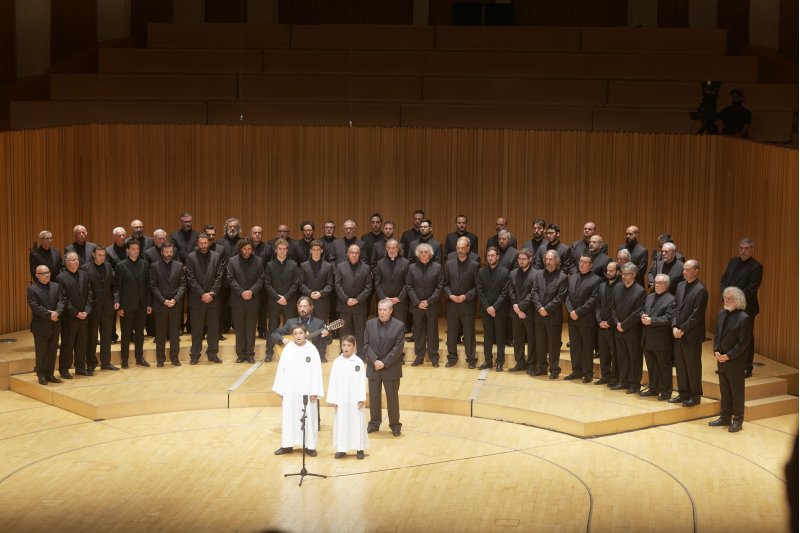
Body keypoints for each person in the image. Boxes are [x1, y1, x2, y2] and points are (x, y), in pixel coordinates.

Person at [273, 325, 324, 456]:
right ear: (292, 335)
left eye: (301, 333)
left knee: (309, 418)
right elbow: (281, 369)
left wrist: (315, 391)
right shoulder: (288, 349)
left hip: (307, 390)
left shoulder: (312, 350)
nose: (298, 336)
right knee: (289, 417)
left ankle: (310, 446)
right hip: (290, 390)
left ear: (305, 333)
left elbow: (317, 371)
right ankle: (287, 445)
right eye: (295, 334)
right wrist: (280, 389)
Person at [710, 287, 752, 432]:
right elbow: (717, 335)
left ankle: (738, 420)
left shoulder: (744, 318)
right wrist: (716, 350)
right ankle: (724, 417)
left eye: (730, 299)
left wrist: (728, 355)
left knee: (736, 391)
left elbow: (743, 343)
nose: (726, 301)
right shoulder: (722, 313)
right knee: (725, 390)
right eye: (725, 298)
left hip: (735, 361)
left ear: (738, 300)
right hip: (721, 359)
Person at [719, 238, 762, 378]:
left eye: (746, 248)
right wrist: (726, 295)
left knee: (746, 338)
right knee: (728, 336)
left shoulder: (756, 267)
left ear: (751, 249)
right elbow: (723, 281)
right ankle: (726, 364)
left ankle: (746, 367)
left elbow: (751, 289)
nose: (743, 251)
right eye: (741, 248)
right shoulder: (732, 262)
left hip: (746, 308)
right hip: (729, 306)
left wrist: (733, 299)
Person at [670, 260, 709, 407]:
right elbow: (674, 307)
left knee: (692, 366)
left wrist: (682, 329)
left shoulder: (701, 289)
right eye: (684, 269)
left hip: (691, 334)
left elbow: (696, 315)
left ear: (696, 271)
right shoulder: (680, 286)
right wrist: (674, 326)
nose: (684, 272)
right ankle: (683, 392)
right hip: (678, 332)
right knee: (680, 365)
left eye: (687, 269)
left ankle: (695, 395)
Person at [364, 299, 405, 436]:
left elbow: (398, 348)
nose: (381, 312)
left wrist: (384, 362)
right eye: (380, 309)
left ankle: (395, 425)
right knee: (374, 397)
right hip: (373, 367)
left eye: (384, 310)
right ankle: (374, 423)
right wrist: (375, 360)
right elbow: (366, 344)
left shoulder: (399, 326)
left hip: (390, 368)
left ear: (391, 310)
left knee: (392, 398)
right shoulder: (369, 324)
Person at [185, 233, 225, 364]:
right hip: (197, 300)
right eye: (200, 243)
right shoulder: (191, 257)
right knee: (197, 330)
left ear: (209, 242)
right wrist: (202, 294)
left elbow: (219, 277)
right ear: (197, 243)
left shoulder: (216, 256)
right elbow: (190, 279)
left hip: (213, 300)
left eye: (205, 243)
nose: (203, 245)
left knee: (213, 329)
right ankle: (195, 355)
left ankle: (212, 354)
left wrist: (212, 293)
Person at [327, 334, 368, 459]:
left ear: (354, 347)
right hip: (341, 399)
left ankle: (359, 448)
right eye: (344, 345)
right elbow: (333, 381)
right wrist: (333, 399)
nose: (346, 348)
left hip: (355, 400)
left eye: (349, 345)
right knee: (342, 423)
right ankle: (342, 448)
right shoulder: (337, 362)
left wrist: (361, 398)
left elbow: (362, 381)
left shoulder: (358, 362)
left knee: (357, 423)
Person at [531, 250, 568, 378]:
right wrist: (539, 308)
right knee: (540, 344)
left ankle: (554, 370)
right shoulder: (539, 275)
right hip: (539, 316)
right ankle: (542, 368)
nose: (548, 262)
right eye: (546, 259)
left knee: (553, 346)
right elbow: (534, 293)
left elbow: (560, 297)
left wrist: (546, 309)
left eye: (550, 259)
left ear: (557, 261)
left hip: (553, 317)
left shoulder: (562, 277)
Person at [115, 239, 152, 368]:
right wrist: (118, 307)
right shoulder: (121, 266)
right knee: (126, 334)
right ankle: (124, 359)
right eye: (133, 249)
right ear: (127, 250)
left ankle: (139, 357)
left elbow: (148, 286)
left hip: (141, 305)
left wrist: (149, 304)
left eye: (137, 249)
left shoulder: (145, 264)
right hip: (127, 306)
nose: (135, 251)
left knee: (140, 333)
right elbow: (117, 288)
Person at [56, 251, 93, 378]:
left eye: (77, 259)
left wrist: (86, 311)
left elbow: (89, 294)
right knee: (68, 344)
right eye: (73, 260)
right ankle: (64, 369)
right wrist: (76, 313)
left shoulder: (84, 275)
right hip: (69, 318)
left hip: (84, 316)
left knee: (82, 343)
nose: (76, 261)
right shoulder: (61, 278)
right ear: (66, 263)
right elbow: (63, 299)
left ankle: (80, 367)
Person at [565, 255, 601, 382]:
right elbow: (567, 297)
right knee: (575, 346)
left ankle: (588, 373)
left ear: (591, 264)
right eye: (580, 262)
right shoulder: (572, 277)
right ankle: (576, 371)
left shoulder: (596, 280)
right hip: (572, 318)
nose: (581, 264)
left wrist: (578, 312)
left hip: (586, 318)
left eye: (585, 262)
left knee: (587, 346)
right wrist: (570, 311)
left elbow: (593, 300)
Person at [406, 243, 444, 367]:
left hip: (431, 306)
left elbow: (439, 287)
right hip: (417, 306)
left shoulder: (437, 267)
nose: (423, 254)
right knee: (418, 332)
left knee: (432, 332)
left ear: (430, 254)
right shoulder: (412, 267)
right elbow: (409, 286)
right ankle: (419, 356)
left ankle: (434, 357)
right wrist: (417, 302)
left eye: (426, 252)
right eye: (421, 252)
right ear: (418, 254)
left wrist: (428, 301)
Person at [444, 237, 479, 368]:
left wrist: (466, 296)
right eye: (458, 248)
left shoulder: (474, 265)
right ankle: (452, 357)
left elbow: (477, 287)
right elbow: (445, 284)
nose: (459, 250)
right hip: (452, 304)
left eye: (462, 248)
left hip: (467, 304)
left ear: (468, 248)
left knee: (469, 333)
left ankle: (471, 359)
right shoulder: (449, 264)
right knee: (452, 332)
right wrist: (450, 295)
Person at [81, 246, 118, 371]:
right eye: (99, 255)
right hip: (93, 308)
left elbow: (114, 286)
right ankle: (91, 363)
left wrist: (116, 300)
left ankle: (106, 362)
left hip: (107, 307)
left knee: (106, 337)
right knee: (91, 338)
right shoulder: (85, 268)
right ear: (93, 254)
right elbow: (84, 290)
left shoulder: (108, 266)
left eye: (103, 255)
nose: (102, 257)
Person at [640, 274, 676, 400]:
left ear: (666, 285)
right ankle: (653, 388)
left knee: (663, 367)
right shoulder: (649, 297)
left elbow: (668, 318)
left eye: (660, 283)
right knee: (651, 366)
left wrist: (652, 321)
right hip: (647, 337)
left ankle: (666, 392)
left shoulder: (671, 299)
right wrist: (643, 316)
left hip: (661, 340)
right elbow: (643, 310)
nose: (656, 285)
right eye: (655, 282)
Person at [611, 263, 646, 393]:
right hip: (619, 328)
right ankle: (623, 381)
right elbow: (612, 307)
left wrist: (623, 325)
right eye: (623, 274)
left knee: (634, 357)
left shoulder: (640, 291)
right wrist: (617, 323)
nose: (623, 276)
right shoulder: (618, 288)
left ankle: (635, 383)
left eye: (627, 274)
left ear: (634, 275)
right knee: (622, 356)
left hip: (632, 330)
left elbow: (637, 312)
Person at [150, 242, 186, 367]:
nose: (169, 254)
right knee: (160, 334)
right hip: (161, 305)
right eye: (166, 252)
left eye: (171, 252)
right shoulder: (154, 266)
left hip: (175, 305)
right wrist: (163, 300)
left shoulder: (179, 265)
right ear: (162, 252)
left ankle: (175, 358)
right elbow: (153, 286)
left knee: (175, 334)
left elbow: (183, 285)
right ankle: (160, 359)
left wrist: (175, 300)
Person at [263, 239, 300, 362]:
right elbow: (267, 284)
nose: (282, 251)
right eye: (280, 249)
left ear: (287, 250)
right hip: (274, 302)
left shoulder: (293, 265)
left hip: (289, 301)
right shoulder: (269, 265)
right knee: (272, 328)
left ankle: (291, 353)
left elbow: (295, 284)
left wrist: (285, 297)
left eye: (284, 249)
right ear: (276, 250)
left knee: (290, 328)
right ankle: (269, 352)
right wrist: (278, 297)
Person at [28, 266, 66, 385]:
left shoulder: (56, 286)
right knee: (41, 352)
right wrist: (50, 314)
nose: (47, 275)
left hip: (55, 325)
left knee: (52, 351)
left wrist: (57, 312)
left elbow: (61, 301)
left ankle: (50, 373)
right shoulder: (32, 289)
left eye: (48, 272)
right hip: (41, 326)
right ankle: (41, 374)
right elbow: (35, 306)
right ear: (37, 275)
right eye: (44, 273)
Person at [228, 237, 263, 364]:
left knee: (251, 328)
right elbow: (230, 279)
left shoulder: (258, 261)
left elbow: (260, 279)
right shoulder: (232, 261)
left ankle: (250, 354)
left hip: (253, 300)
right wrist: (242, 292)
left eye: (249, 249)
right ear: (240, 248)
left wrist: (251, 291)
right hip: (237, 300)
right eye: (245, 248)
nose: (247, 251)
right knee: (240, 328)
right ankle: (240, 354)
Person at [334, 244, 372, 359]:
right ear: (348, 254)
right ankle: (343, 353)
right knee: (344, 332)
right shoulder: (340, 266)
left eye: (356, 253)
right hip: (344, 305)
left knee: (360, 333)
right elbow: (337, 285)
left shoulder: (366, 268)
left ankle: (361, 355)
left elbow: (368, 287)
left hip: (359, 306)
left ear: (359, 255)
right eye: (352, 252)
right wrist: (347, 299)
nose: (354, 255)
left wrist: (357, 300)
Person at [476, 247, 511, 372]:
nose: (490, 257)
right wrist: (488, 308)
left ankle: (500, 362)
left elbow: (504, 292)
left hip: (499, 310)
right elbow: (480, 291)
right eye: (488, 255)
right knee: (488, 337)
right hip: (486, 310)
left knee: (500, 337)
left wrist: (494, 307)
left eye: (492, 255)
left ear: (497, 257)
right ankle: (488, 361)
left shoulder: (505, 272)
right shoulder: (481, 272)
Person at [270, 296, 330, 362]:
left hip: (311, 358)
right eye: (300, 306)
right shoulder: (291, 322)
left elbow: (329, 341)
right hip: (293, 358)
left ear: (311, 307)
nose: (302, 309)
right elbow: (274, 334)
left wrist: (327, 335)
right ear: (297, 308)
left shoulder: (319, 323)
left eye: (305, 306)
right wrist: (283, 340)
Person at [373, 238, 409, 341]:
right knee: (384, 330)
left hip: (400, 303)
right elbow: (377, 283)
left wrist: (399, 298)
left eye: (394, 248)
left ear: (398, 249)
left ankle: (398, 354)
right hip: (385, 303)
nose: (392, 250)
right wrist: (384, 298)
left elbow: (408, 283)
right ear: (386, 249)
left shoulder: (405, 263)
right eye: (389, 248)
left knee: (399, 329)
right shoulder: (380, 263)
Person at [508, 248, 536, 373]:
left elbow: (533, 293)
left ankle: (531, 364)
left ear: (530, 259)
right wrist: (516, 307)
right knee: (517, 338)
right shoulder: (513, 273)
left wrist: (521, 307)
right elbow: (510, 291)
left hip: (529, 312)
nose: (521, 261)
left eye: (524, 259)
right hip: (516, 311)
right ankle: (520, 362)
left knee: (531, 338)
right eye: (519, 259)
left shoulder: (536, 274)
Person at [595, 261, 620, 386]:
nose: (608, 273)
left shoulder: (620, 287)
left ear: (618, 272)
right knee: (603, 352)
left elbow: (618, 309)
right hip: (602, 325)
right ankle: (605, 375)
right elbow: (598, 305)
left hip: (613, 326)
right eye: (607, 271)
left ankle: (615, 377)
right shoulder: (602, 286)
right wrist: (600, 320)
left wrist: (609, 322)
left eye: (611, 271)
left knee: (614, 353)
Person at [299, 240, 334, 324]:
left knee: (321, 327)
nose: (316, 252)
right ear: (310, 251)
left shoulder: (328, 266)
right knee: (306, 326)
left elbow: (330, 285)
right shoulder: (303, 265)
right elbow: (301, 284)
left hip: (322, 301)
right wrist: (310, 293)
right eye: (314, 250)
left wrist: (320, 293)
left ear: (321, 250)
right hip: (307, 300)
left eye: (318, 249)